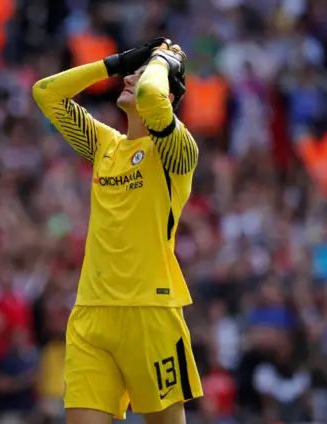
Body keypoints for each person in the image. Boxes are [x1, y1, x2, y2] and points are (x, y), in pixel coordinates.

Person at [33, 37, 203, 424]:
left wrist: (161, 58)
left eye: (142, 75)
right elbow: (46, 92)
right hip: (91, 314)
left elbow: (153, 99)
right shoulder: (104, 145)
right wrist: (112, 64)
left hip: (150, 312)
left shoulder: (177, 152)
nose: (132, 78)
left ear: (168, 94)